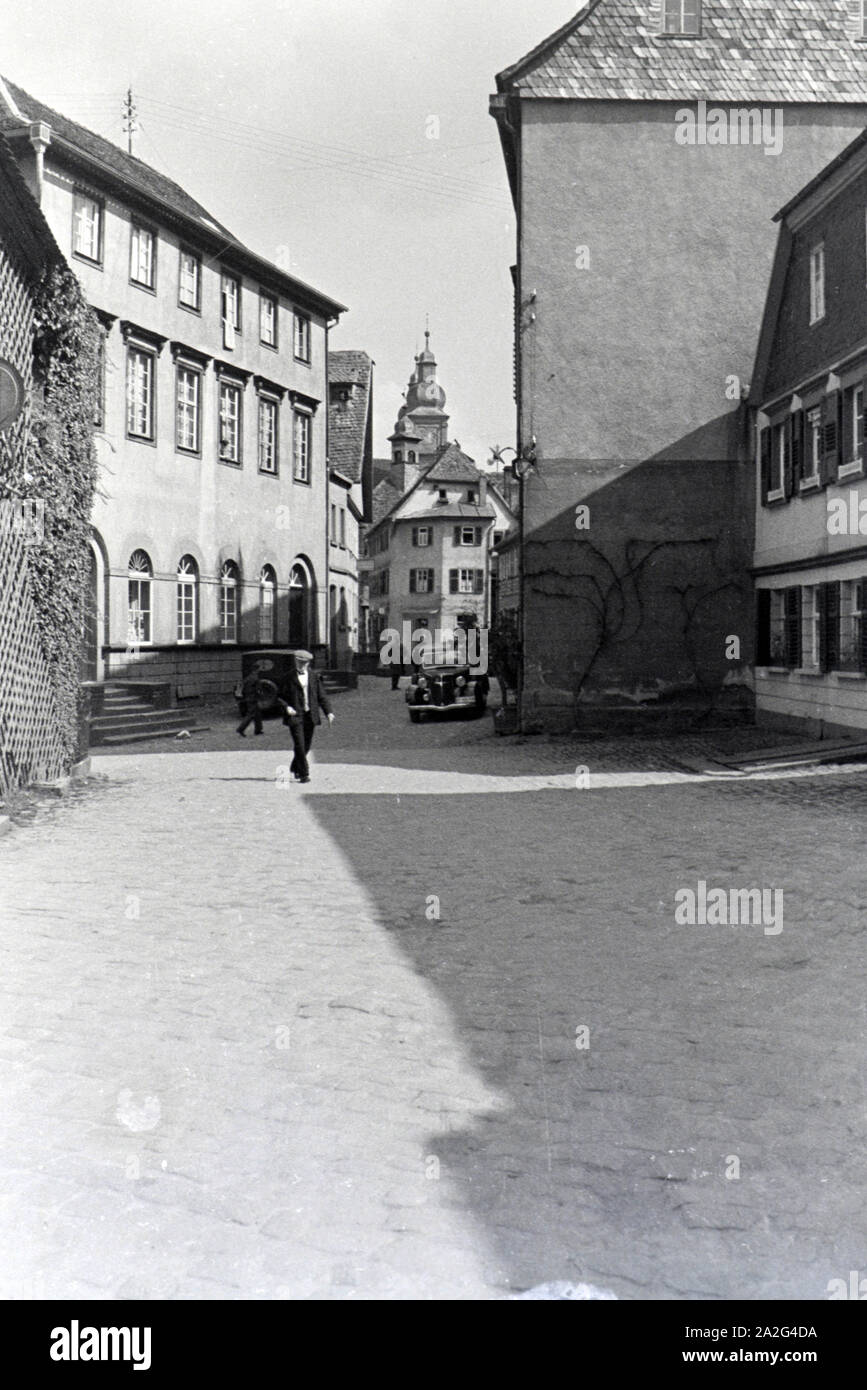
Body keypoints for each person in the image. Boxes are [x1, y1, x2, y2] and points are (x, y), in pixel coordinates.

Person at [282, 650, 334, 783]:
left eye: (304, 663)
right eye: (299, 662)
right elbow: (280, 697)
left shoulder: (313, 676)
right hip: (295, 715)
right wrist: (287, 707)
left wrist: (329, 712)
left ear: (308, 663)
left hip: (310, 715)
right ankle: (304, 774)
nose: (301, 665)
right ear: (295, 662)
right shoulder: (288, 677)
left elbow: (321, 696)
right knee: (299, 744)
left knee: (306, 745)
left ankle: (295, 766)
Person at [237, 663, 283, 737]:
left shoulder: (248, 677)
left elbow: (244, 686)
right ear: (257, 669)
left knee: (257, 714)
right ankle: (241, 729)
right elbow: (258, 690)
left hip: (248, 697)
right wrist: (262, 697)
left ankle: (258, 729)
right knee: (250, 715)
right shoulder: (255, 678)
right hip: (253, 698)